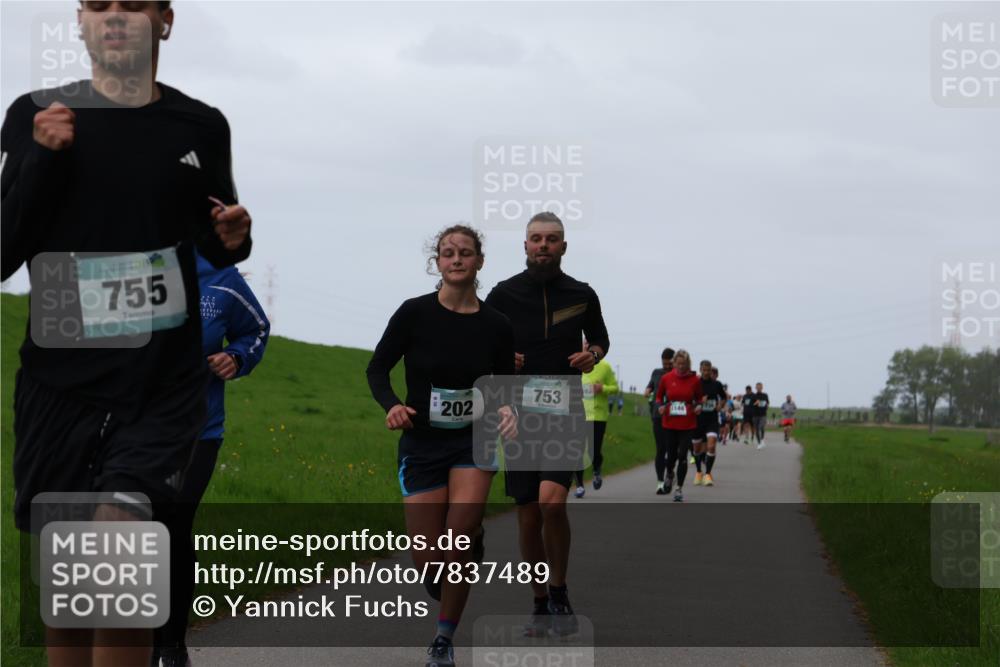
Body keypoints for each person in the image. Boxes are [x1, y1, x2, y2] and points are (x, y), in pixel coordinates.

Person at [2, 3, 253, 665]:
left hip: (159, 387)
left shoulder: (201, 124)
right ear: (80, 22)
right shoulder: (35, 112)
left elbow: (214, 237)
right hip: (59, 386)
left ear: (164, 20)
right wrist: (43, 162)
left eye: (133, 3)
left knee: (117, 553)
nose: (116, 16)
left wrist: (236, 236)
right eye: (99, 3)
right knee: (75, 587)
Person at [367, 225, 517, 667]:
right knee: (428, 557)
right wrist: (392, 405)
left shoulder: (497, 325)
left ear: (479, 262)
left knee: (458, 543)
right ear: (437, 262)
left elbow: (504, 384)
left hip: (476, 439)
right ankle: (455, 564)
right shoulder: (414, 313)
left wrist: (506, 410)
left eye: (465, 253)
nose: (456, 260)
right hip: (423, 444)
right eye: (448, 253)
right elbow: (377, 369)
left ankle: (443, 640)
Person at [485, 212, 610, 638]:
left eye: (552, 239)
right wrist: (502, 361)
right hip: (516, 413)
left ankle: (559, 590)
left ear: (563, 247)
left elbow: (601, 339)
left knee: (552, 503)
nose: (543, 246)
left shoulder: (582, 293)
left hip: (565, 408)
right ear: (524, 246)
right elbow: (484, 345)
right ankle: (539, 600)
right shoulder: (502, 295)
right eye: (536, 239)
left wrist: (592, 352)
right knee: (526, 515)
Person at [154, 253, 270, 667]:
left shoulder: (222, 277)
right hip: (132, 429)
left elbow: (256, 329)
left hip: (197, 430)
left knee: (173, 524)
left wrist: (236, 357)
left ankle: (170, 644)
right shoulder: (133, 260)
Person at [654, 349, 703, 502]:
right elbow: (658, 397)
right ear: (674, 363)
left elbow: (700, 398)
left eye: (684, 364)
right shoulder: (666, 378)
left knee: (682, 456)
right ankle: (669, 474)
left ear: (688, 364)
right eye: (678, 363)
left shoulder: (694, 380)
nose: (681, 367)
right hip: (669, 422)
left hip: (687, 423)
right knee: (671, 456)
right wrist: (661, 406)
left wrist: (698, 406)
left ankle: (679, 489)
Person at [575, 354, 619, 497]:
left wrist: (602, 388)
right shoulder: (575, 364)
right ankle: (579, 485)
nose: (586, 346)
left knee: (593, 450)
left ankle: (596, 470)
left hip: (598, 415)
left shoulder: (604, 366)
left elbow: (615, 387)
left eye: (589, 343)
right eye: (584, 343)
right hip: (578, 413)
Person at [691, 361, 726, 487]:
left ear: (711, 371)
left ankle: (708, 474)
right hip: (697, 420)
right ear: (700, 369)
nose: (706, 372)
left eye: (708, 370)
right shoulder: (695, 383)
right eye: (704, 370)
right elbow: (689, 400)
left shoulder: (716, 384)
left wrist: (720, 405)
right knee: (697, 449)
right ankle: (699, 472)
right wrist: (699, 402)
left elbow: (723, 397)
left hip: (712, 419)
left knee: (711, 447)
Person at [644, 348, 674, 492]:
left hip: (675, 417)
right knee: (661, 449)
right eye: (665, 364)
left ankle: (670, 473)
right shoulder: (656, 373)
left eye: (670, 364)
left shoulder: (679, 374)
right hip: (658, 415)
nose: (667, 366)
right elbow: (650, 385)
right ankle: (660, 482)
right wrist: (647, 390)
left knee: (672, 450)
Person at [753, 382, 771, 449]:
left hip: (763, 414)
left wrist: (767, 407)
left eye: (760, 387)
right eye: (757, 387)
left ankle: (762, 439)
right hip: (755, 415)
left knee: (760, 427)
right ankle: (759, 443)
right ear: (756, 388)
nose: (759, 388)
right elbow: (751, 405)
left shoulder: (765, 395)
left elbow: (767, 403)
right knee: (757, 429)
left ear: (762, 387)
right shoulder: (753, 396)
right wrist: (755, 403)